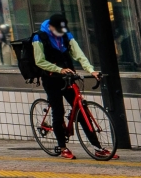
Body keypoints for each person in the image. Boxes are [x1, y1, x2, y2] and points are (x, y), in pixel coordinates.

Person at [33, 12, 98, 159]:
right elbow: (39, 61)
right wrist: (59, 69)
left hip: (67, 78)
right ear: (50, 27)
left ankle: (97, 147)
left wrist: (91, 70)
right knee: (58, 111)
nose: (61, 33)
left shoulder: (65, 34)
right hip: (51, 79)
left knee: (82, 111)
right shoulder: (39, 37)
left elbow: (79, 54)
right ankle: (62, 147)